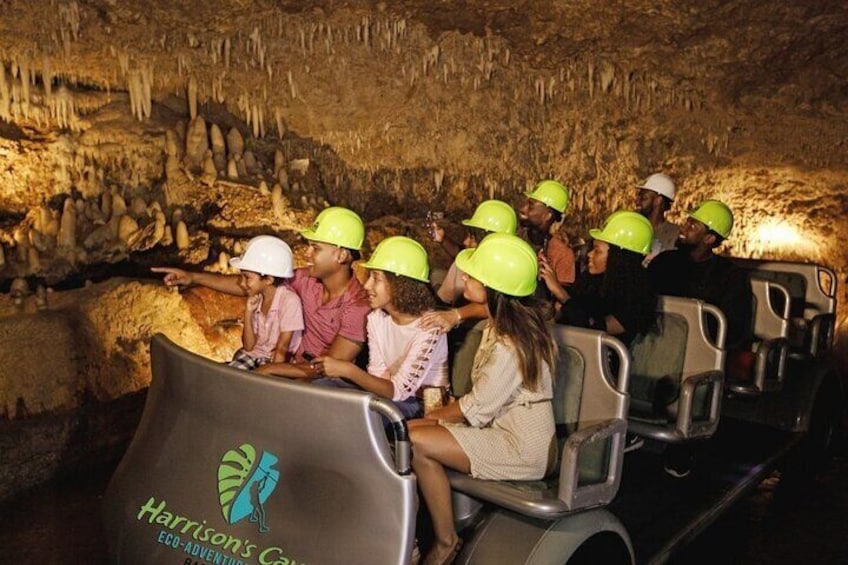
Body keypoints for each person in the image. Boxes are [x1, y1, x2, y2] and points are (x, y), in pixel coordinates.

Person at [408, 233, 557, 565]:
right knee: (409, 434)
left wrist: (430, 418)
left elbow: (474, 408)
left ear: (493, 288)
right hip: (502, 431)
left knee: (413, 439)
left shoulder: (511, 344)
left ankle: (446, 542)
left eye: (473, 276)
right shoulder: (502, 325)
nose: (464, 277)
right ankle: (427, 531)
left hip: (521, 445)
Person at [152, 206, 370, 378]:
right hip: (288, 366)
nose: (308, 252)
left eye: (316, 248)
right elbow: (254, 283)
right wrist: (193, 277)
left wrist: (270, 371)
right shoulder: (306, 280)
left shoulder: (357, 307)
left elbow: (327, 370)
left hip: (320, 385)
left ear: (341, 256)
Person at [310, 236, 449, 419]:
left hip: (419, 402)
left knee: (364, 415)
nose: (367, 285)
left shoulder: (430, 327)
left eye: (376, 279)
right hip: (386, 393)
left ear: (400, 285)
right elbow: (376, 375)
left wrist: (347, 370)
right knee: (321, 388)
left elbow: (400, 391)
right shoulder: (377, 318)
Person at [648, 200, 753, 352]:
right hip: (655, 342)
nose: (683, 228)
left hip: (697, 350)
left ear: (709, 238)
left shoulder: (730, 276)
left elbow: (733, 332)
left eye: (693, 226)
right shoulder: (664, 262)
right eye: (687, 222)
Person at [556, 211, 657, 348]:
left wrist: (562, 296)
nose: (590, 255)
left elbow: (594, 328)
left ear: (619, 258)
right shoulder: (592, 283)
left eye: (597, 251)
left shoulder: (636, 296)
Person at [226, 235, 304, 370]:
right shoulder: (258, 299)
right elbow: (248, 346)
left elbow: (282, 347)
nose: (242, 283)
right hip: (254, 354)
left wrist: (272, 376)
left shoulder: (290, 301)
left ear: (268, 279)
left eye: (247, 277)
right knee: (228, 376)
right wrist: (248, 312)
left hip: (274, 360)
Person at [520, 179, 577, 302]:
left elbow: (560, 301)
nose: (523, 209)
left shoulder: (561, 253)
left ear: (547, 215)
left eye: (531, 206)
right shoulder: (519, 238)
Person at [635, 173, 679, 263]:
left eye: (643, 198)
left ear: (658, 201)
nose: (637, 201)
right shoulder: (632, 228)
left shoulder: (676, 235)